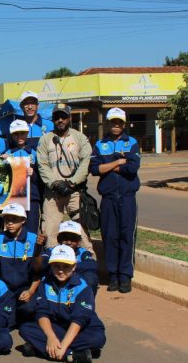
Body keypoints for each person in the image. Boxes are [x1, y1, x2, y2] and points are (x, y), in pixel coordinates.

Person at [18, 245, 106, 363]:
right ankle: (74, 355)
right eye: (56, 266)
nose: (61, 270)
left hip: (80, 329)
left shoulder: (83, 287)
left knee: (97, 339)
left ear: (74, 266)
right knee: (25, 329)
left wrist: (63, 345)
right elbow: (42, 312)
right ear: (50, 266)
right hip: (57, 327)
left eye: (66, 266)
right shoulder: (45, 283)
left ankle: (42, 349)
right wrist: (51, 337)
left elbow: (79, 320)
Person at [89, 107, 140, 293]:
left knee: (127, 236)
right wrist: (119, 161)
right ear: (108, 124)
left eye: (119, 122)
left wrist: (107, 165)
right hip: (108, 198)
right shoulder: (100, 144)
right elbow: (94, 169)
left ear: (124, 124)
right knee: (110, 237)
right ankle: (113, 276)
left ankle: (125, 276)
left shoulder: (132, 142)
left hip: (127, 198)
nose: (116, 126)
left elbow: (133, 168)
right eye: (113, 122)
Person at [36, 104, 93, 251]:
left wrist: (72, 183)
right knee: (50, 231)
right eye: (56, 117)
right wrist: (55, 183)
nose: (60, 120)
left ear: (70, 118)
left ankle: (89, 264)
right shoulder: (45, 139)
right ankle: (52, 266)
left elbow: (86, 162)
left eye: (63, 117)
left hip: (74, 192)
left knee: (82, 231)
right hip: (53, 193)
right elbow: (42, 165)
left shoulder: (80, 137)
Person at [0, 203, 44, 322]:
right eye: (7, 219)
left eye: (14, 219)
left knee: (29, 309)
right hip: (5, 288)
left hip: (26, 288)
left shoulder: (34, 239)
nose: (9, 223)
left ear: (23, 220)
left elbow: (38, 272)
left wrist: (30, 291)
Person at [34, 221, 98, 295]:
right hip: (55, 284)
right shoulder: (52, 251)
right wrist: (38, 248)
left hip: (75, 283)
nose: (69, 242)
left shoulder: (82, 252)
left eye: (73, 238)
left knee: (91, 276)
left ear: (79, 240)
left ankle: (85, 303)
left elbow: (92, 264)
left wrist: (68, 267)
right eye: (64, 238)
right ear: (58, 239)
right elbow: (40, 265)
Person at [7, 119, 41, 233]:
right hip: (14, 198)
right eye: (16, 134)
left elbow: (42, 177)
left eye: (22, 133)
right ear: (11, 135)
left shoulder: (35, 152)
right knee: (14, 230)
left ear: (27, 133)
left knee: (31, 231)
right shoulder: (8, 153)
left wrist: (34, 173)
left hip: (32, 197)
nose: (19, 136)